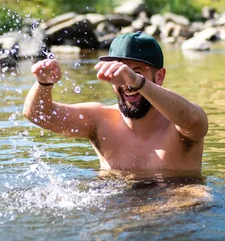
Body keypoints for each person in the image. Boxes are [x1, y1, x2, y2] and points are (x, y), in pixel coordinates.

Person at [23, 31, 208, 173]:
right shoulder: (100, 120)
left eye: (136, 71)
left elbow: (194, 121)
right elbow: (39, 115)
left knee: (195, 196)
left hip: (175, 209)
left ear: (159, 77)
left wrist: (137, 82)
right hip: (120, 210)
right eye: (119, 73)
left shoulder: (179, 122)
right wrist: (43, 84)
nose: (126, 83)